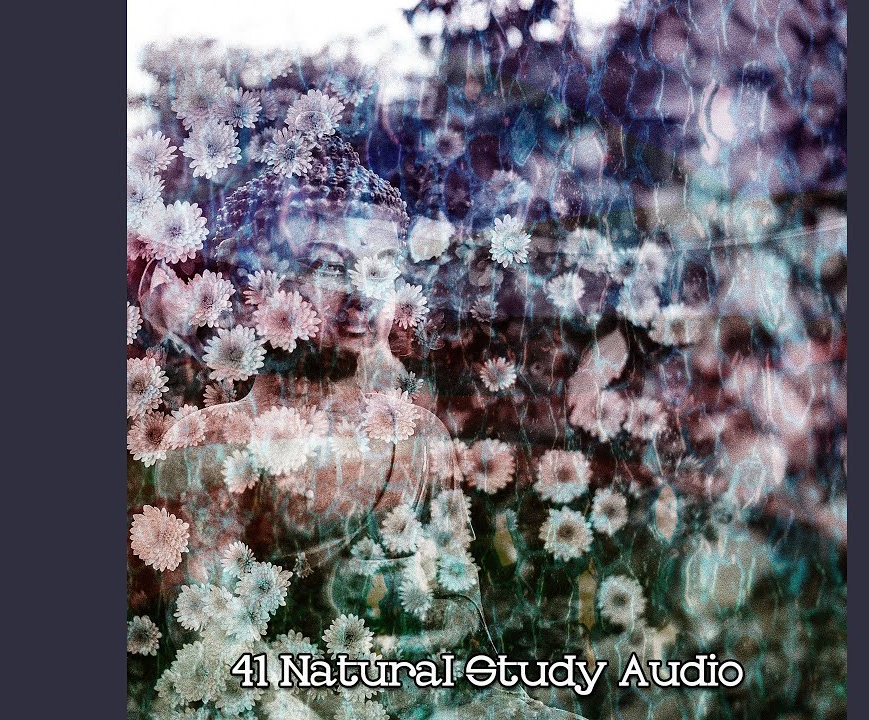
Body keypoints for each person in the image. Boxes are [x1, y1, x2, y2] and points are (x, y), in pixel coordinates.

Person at [137, 136, 577, 720]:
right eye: (326, 266)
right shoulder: (212, 440)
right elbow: (208, 647)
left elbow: (456, 611)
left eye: (380, 269)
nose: (361, 299)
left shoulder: (419, 438)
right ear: (258, 288)